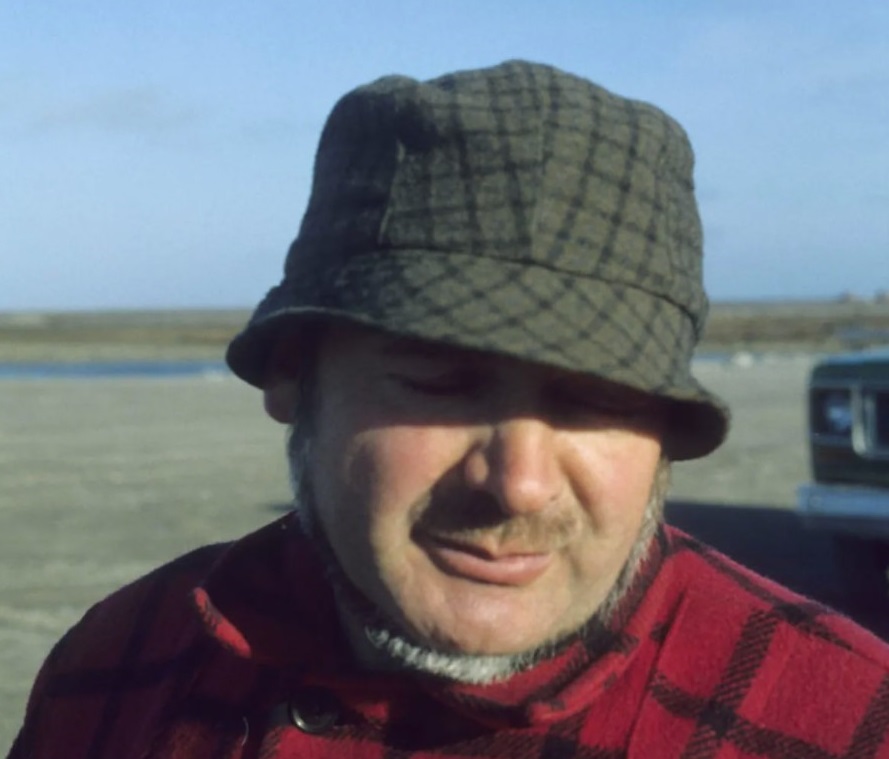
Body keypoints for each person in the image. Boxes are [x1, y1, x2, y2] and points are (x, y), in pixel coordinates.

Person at [9, 60, 889, 759]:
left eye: (597, 398)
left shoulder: (841, 723)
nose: (520, 484)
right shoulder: (122, 662)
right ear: (292, 373)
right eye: (439, 382)